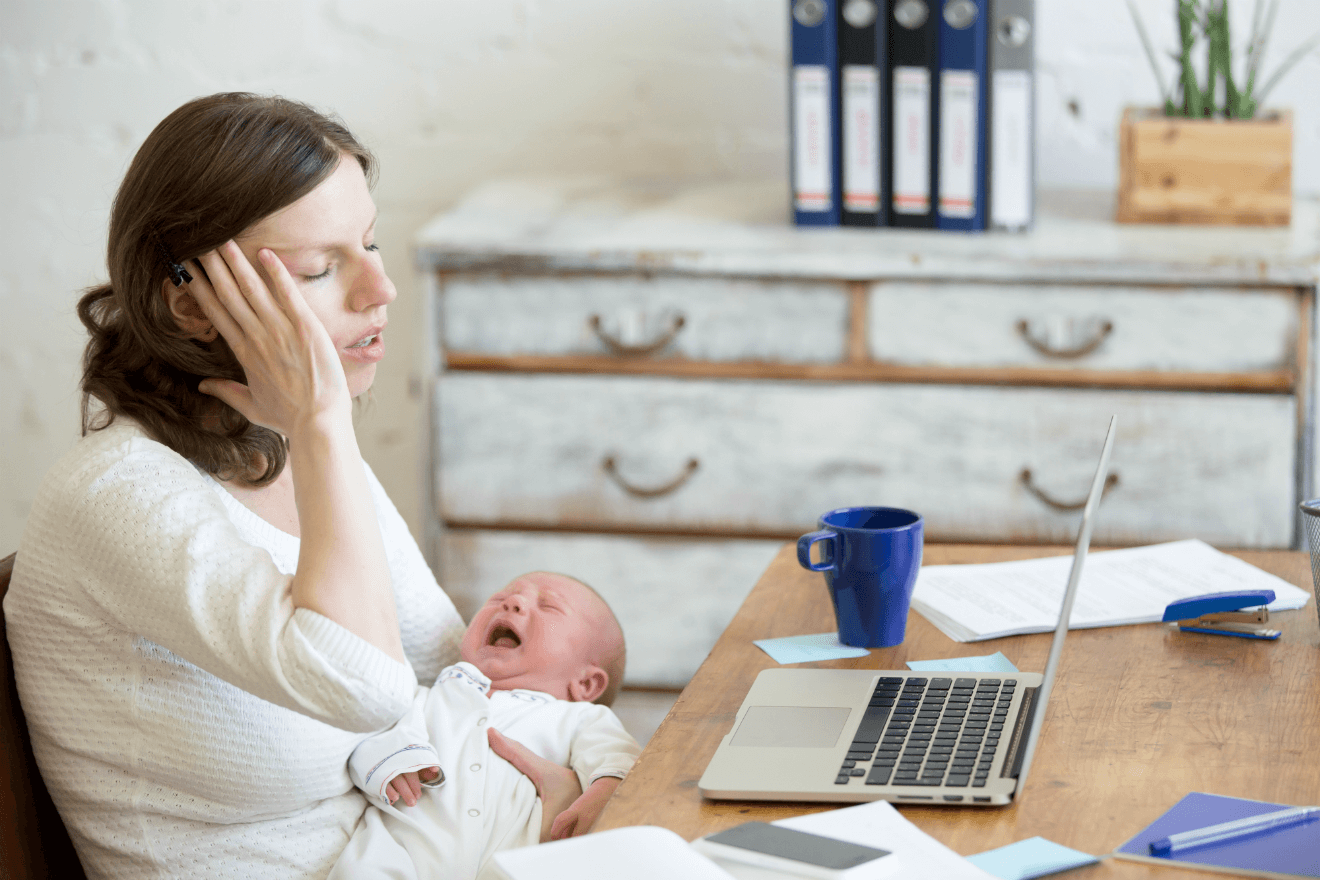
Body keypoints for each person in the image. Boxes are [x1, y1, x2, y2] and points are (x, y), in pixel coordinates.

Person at [3, 92, 589, 879]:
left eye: (372, 243)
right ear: (191, 303)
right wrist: (322, 425)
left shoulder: (285, 452)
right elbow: (370, 688)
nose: (379, 290)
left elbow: (450, 677)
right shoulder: (118, 494)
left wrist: (574, 776)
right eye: (321, 268)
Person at [329, 571, 640, 880]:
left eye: (549, 607)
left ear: (585, 683)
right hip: (408, 852)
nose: (514, 603)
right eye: (499, 599)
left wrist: (605, 792)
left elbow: (619, 757)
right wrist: (388, 763)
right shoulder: (428, 698)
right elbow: (369, 735)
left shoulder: (578, 719)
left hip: (513, 861)